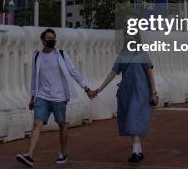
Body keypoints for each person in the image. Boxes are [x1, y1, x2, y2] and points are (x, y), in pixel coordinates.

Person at [16, 28, 96, 167]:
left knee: (62, 125)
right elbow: (34, 78)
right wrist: (32, 97)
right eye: (48, 38)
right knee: (37, 124)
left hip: (59, 97)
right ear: (42, 40)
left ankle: (63, 153)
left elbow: (73, 72)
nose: (51, 40)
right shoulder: (37, 57)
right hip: (42, 96)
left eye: (53, 38)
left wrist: (86, 88)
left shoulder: (61, 55)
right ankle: (29, 155)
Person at [94, 32, 159, 163]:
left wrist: (154, 93)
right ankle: (139, 151)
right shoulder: (122, 55)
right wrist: (100, 88)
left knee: (133, 118)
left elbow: (150, 74)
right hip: (126, 92)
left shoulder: (142, 54)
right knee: (130, 120)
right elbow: (113, 72)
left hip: (141, 93)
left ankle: (135, 152)